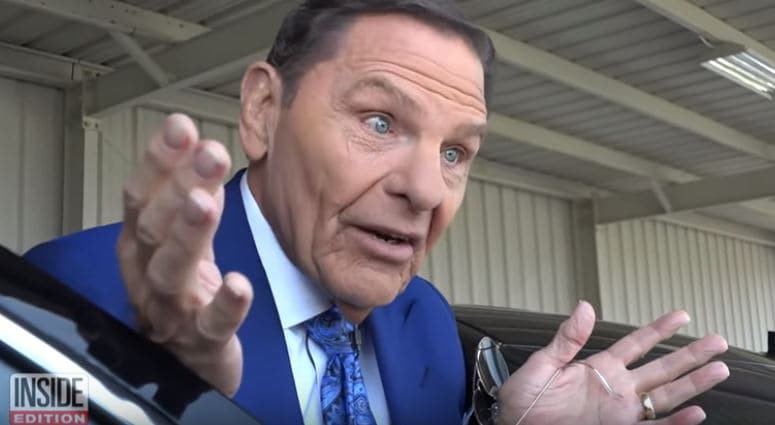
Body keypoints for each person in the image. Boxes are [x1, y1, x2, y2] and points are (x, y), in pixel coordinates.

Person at [25, 1, 730, 424]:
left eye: (455, 152)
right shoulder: (70, 292)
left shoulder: (426, 320)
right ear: (265, 111)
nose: (427, 189)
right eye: (380, 121)